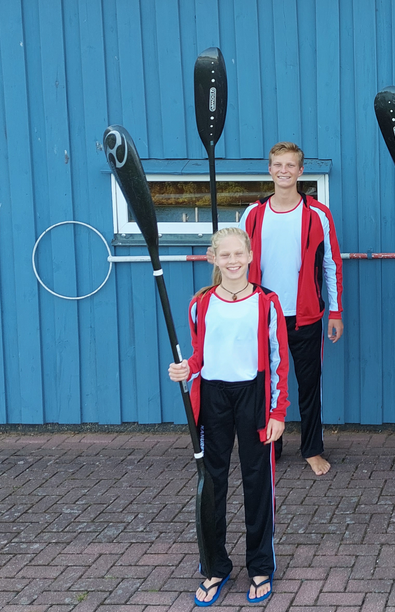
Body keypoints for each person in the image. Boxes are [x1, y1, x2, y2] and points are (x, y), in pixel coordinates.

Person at [168, 227, 291, 605]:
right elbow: (199, 354)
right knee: (212, 483)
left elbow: (279, 360)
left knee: (257, 482)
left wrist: (278, 411)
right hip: (213, 397)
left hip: (254, 396)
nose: (233, 261)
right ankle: (215, 566)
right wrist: (186, 368)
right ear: (214, 258)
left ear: (250, 256)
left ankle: (260, 566)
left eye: (239, 254)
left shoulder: (267, 302)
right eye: (225, 255)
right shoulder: (200, 303)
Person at [241, 142, 344, 476]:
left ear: (300, 171)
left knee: (309, 385)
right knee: (264, 384)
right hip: (263, 316)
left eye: (290, 165)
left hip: (306, 316)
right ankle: (271, 446)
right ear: (270, 170)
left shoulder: (317, 214)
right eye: (278, 165)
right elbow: (236, 261)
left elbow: (331, 265)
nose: (283, 171)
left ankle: (312, 449)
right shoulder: (253, 214)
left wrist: (336, 312)